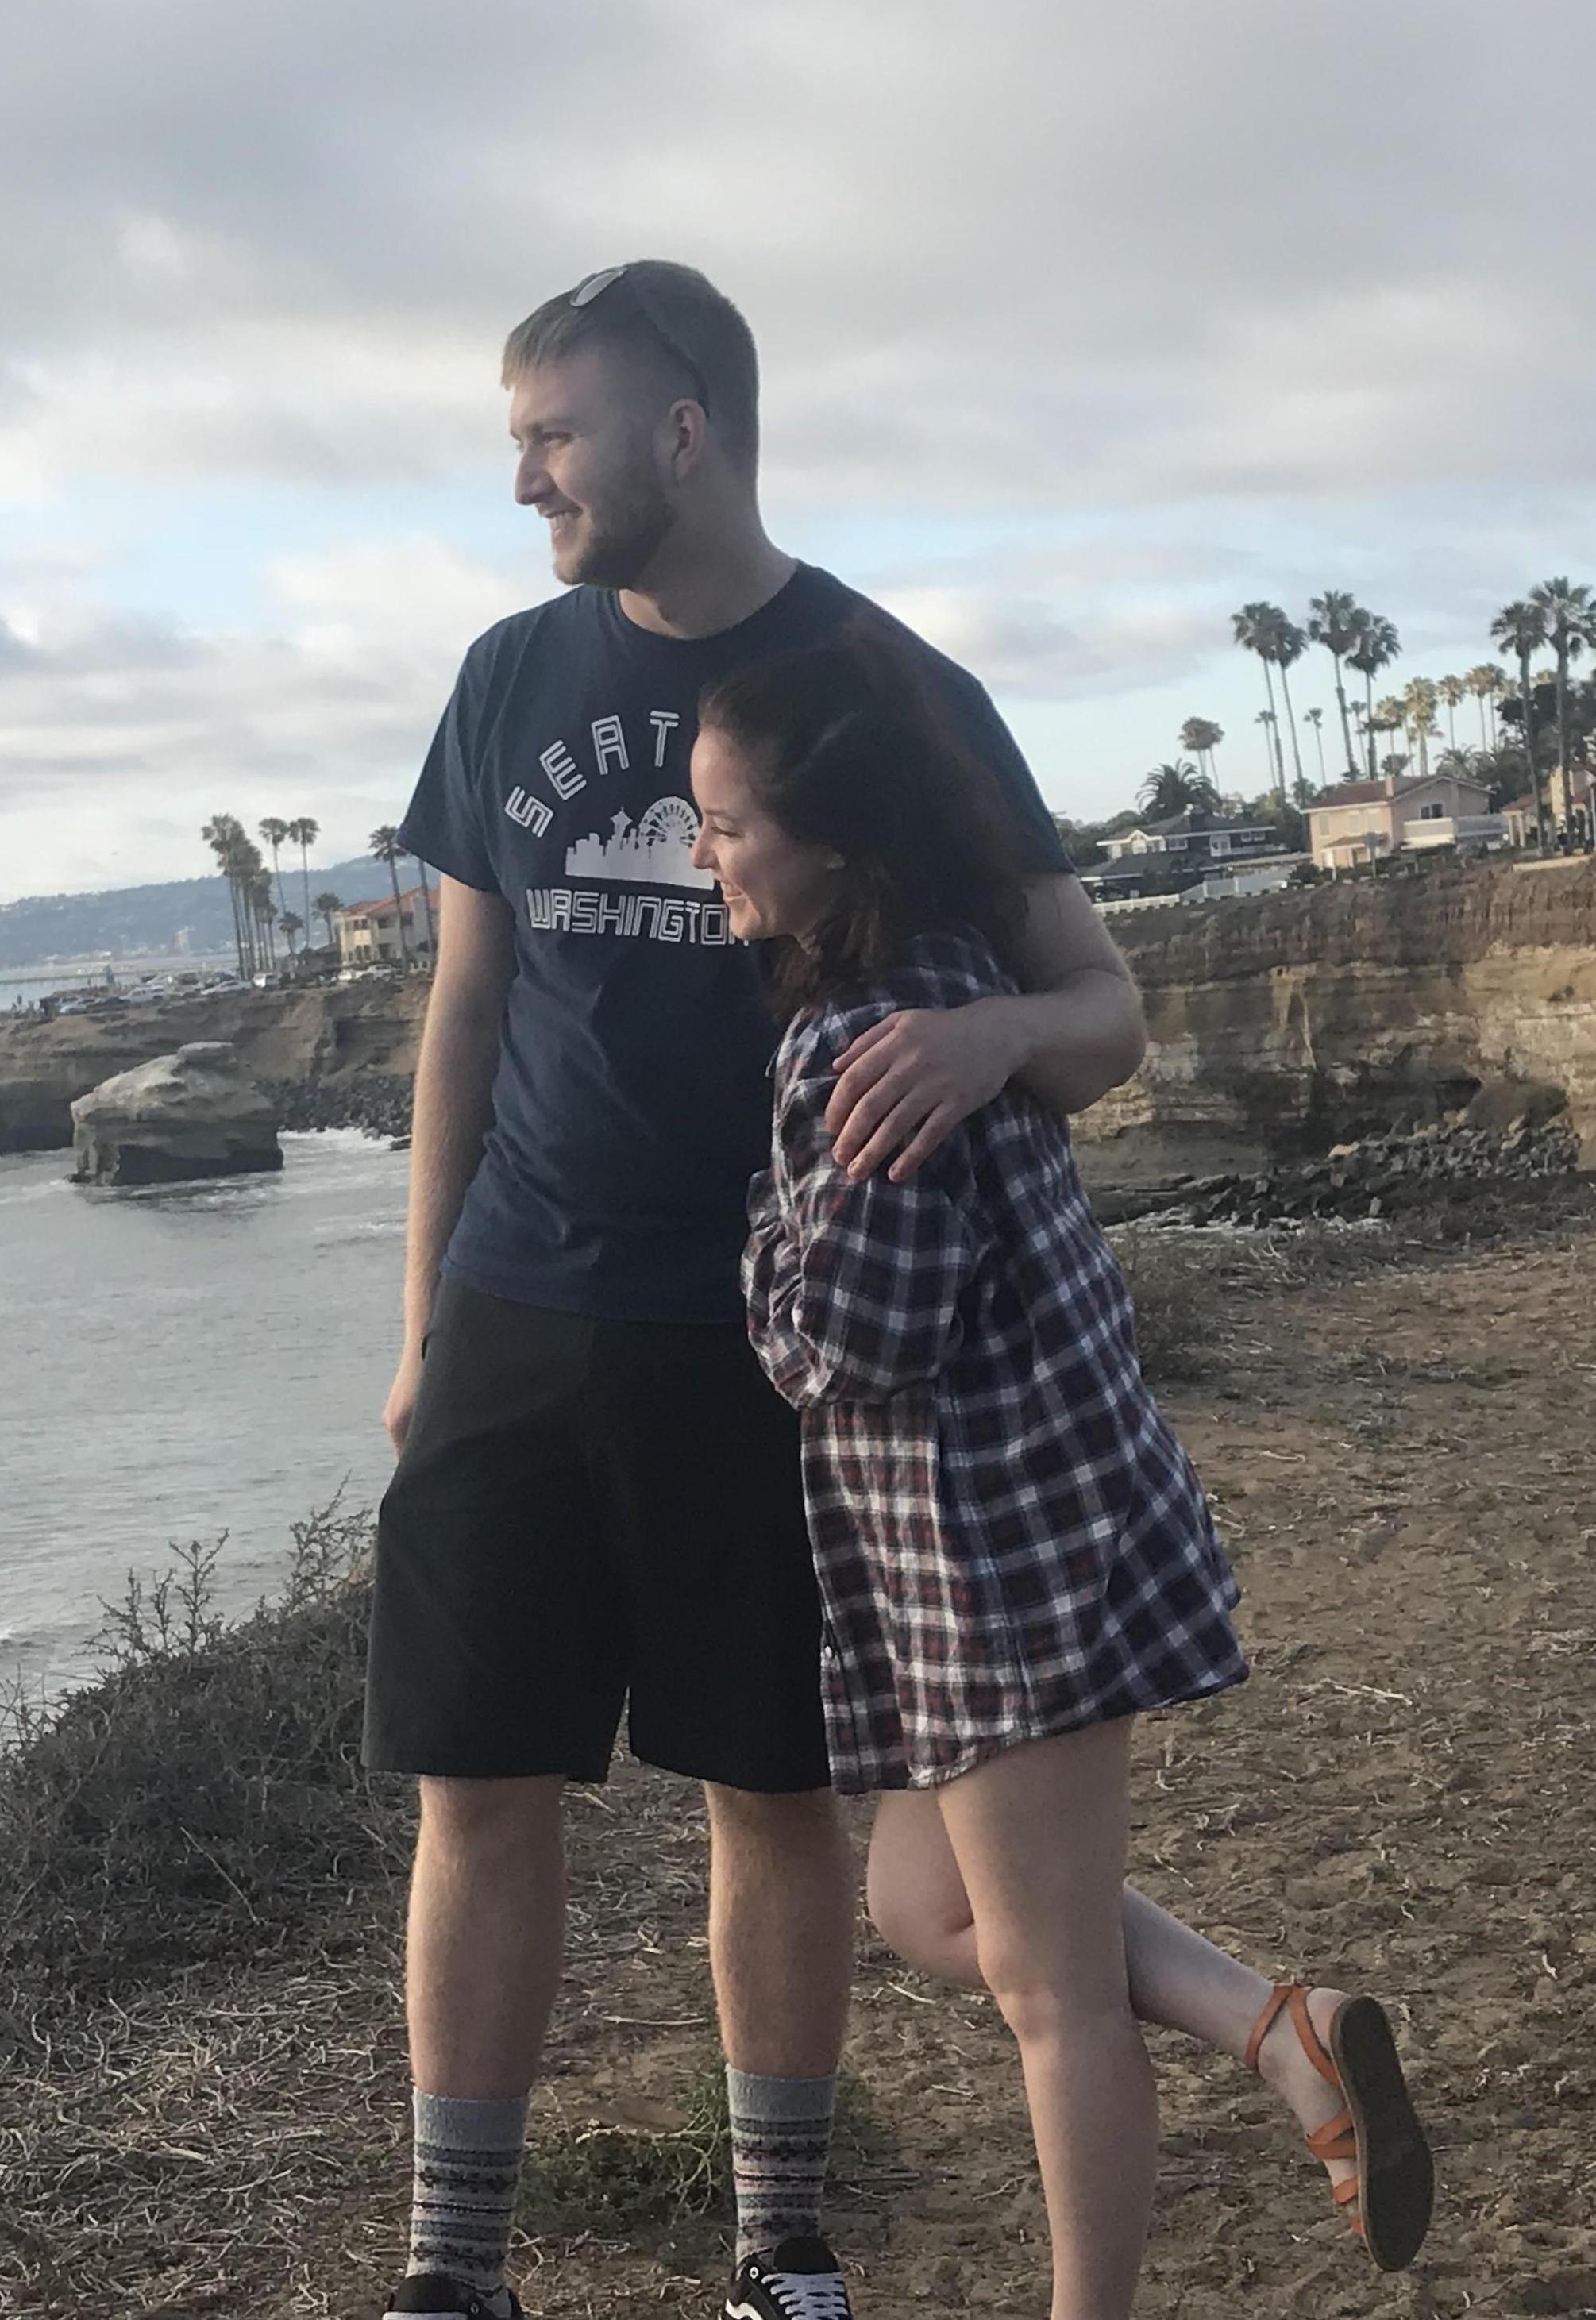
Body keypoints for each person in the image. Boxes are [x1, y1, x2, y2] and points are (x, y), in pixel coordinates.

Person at [364, 260, 1152, 2320]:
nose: (522, 474)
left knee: (775, 1798)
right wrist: (425, 1317)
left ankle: (779, 2251)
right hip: (526, 1307)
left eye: (554, 433)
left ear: (682, 430)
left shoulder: (884, 691)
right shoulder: (505, 673)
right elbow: (466, 1012)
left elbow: (1103, 1005)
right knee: (476, 1780)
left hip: (786, 1345)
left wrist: (989, 1046)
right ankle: (454, 2275)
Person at [692, 628, 1436, 2318]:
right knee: (919, 1902)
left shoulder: (860, 1041)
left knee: (1049, 1998)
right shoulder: (960, 978)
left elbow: (857, 1338)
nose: (708, 859)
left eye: (729, 826)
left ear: (835, 841)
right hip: (1024, 1527)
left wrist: (746, 1261)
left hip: (989, 1551)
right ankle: (1281, 2031)